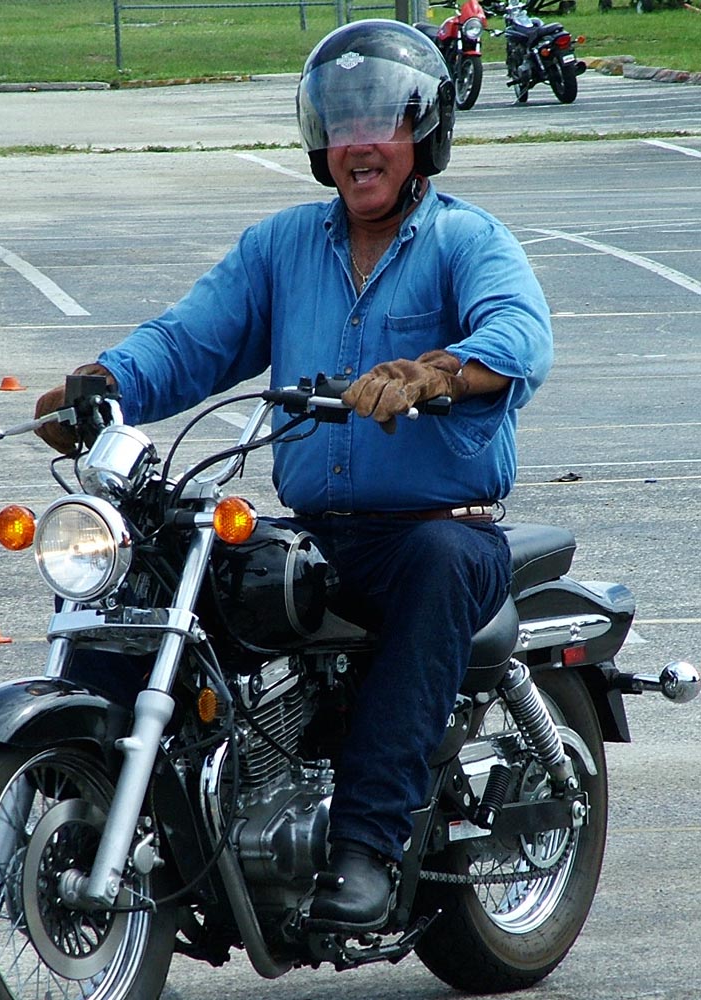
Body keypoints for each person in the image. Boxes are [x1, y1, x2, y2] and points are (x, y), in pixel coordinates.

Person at [34, 20, 553, 936]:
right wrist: (102, 384)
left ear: (424, 132)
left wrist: (436, 372)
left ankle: (367, 847)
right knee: (154, 573)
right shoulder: (281, 247)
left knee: (434, 566)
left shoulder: (467, 240)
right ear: (320, 140)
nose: (361, 144)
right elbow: (190, 340)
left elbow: (520, 335)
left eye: (382, 121)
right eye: (343, 123)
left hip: (443, 529)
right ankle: (87, 795)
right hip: (320, 532)